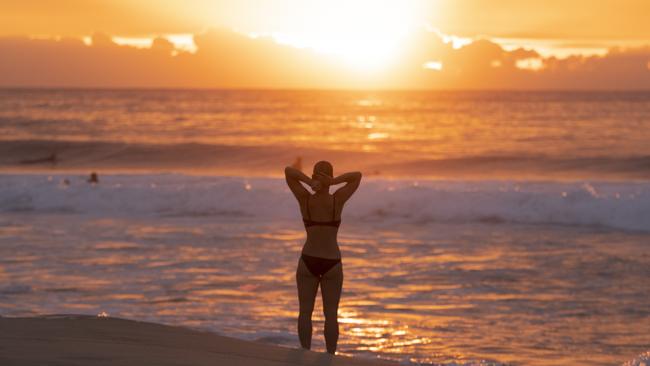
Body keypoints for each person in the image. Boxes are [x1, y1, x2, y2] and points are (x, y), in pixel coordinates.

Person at [284, 161, 362, 354]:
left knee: (305, 312)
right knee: (331, 315)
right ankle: (330, 358)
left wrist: (309, 181)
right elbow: (356, 176)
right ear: (330, 176)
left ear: (314, 175)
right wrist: (334, 181)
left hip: (308, 260)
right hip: (332, 262)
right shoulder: (337, 200)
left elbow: (289, 172)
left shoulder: (305, 199)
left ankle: (305, 353)